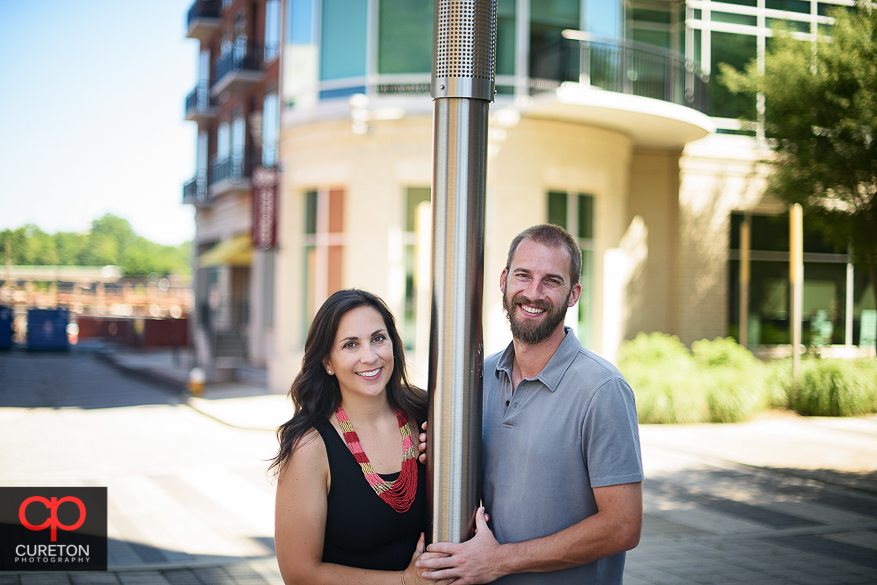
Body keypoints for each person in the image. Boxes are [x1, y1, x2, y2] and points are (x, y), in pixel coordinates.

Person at [417, 224, 644, 584]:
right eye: (523, 275)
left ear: (573, 294)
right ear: (505, 280)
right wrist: (445, 456)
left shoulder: (602, 389)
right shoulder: (480, 377)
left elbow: (623, 526)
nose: (533, 293)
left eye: (552, 281)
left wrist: (500, 561)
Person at [270, 289, 447, 585]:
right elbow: (299, 574)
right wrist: (405, 581)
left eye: (378, 338)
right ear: (327, 361)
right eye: (351, 344)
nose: (370, 356)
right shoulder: (310, 447)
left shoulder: (428, 415)